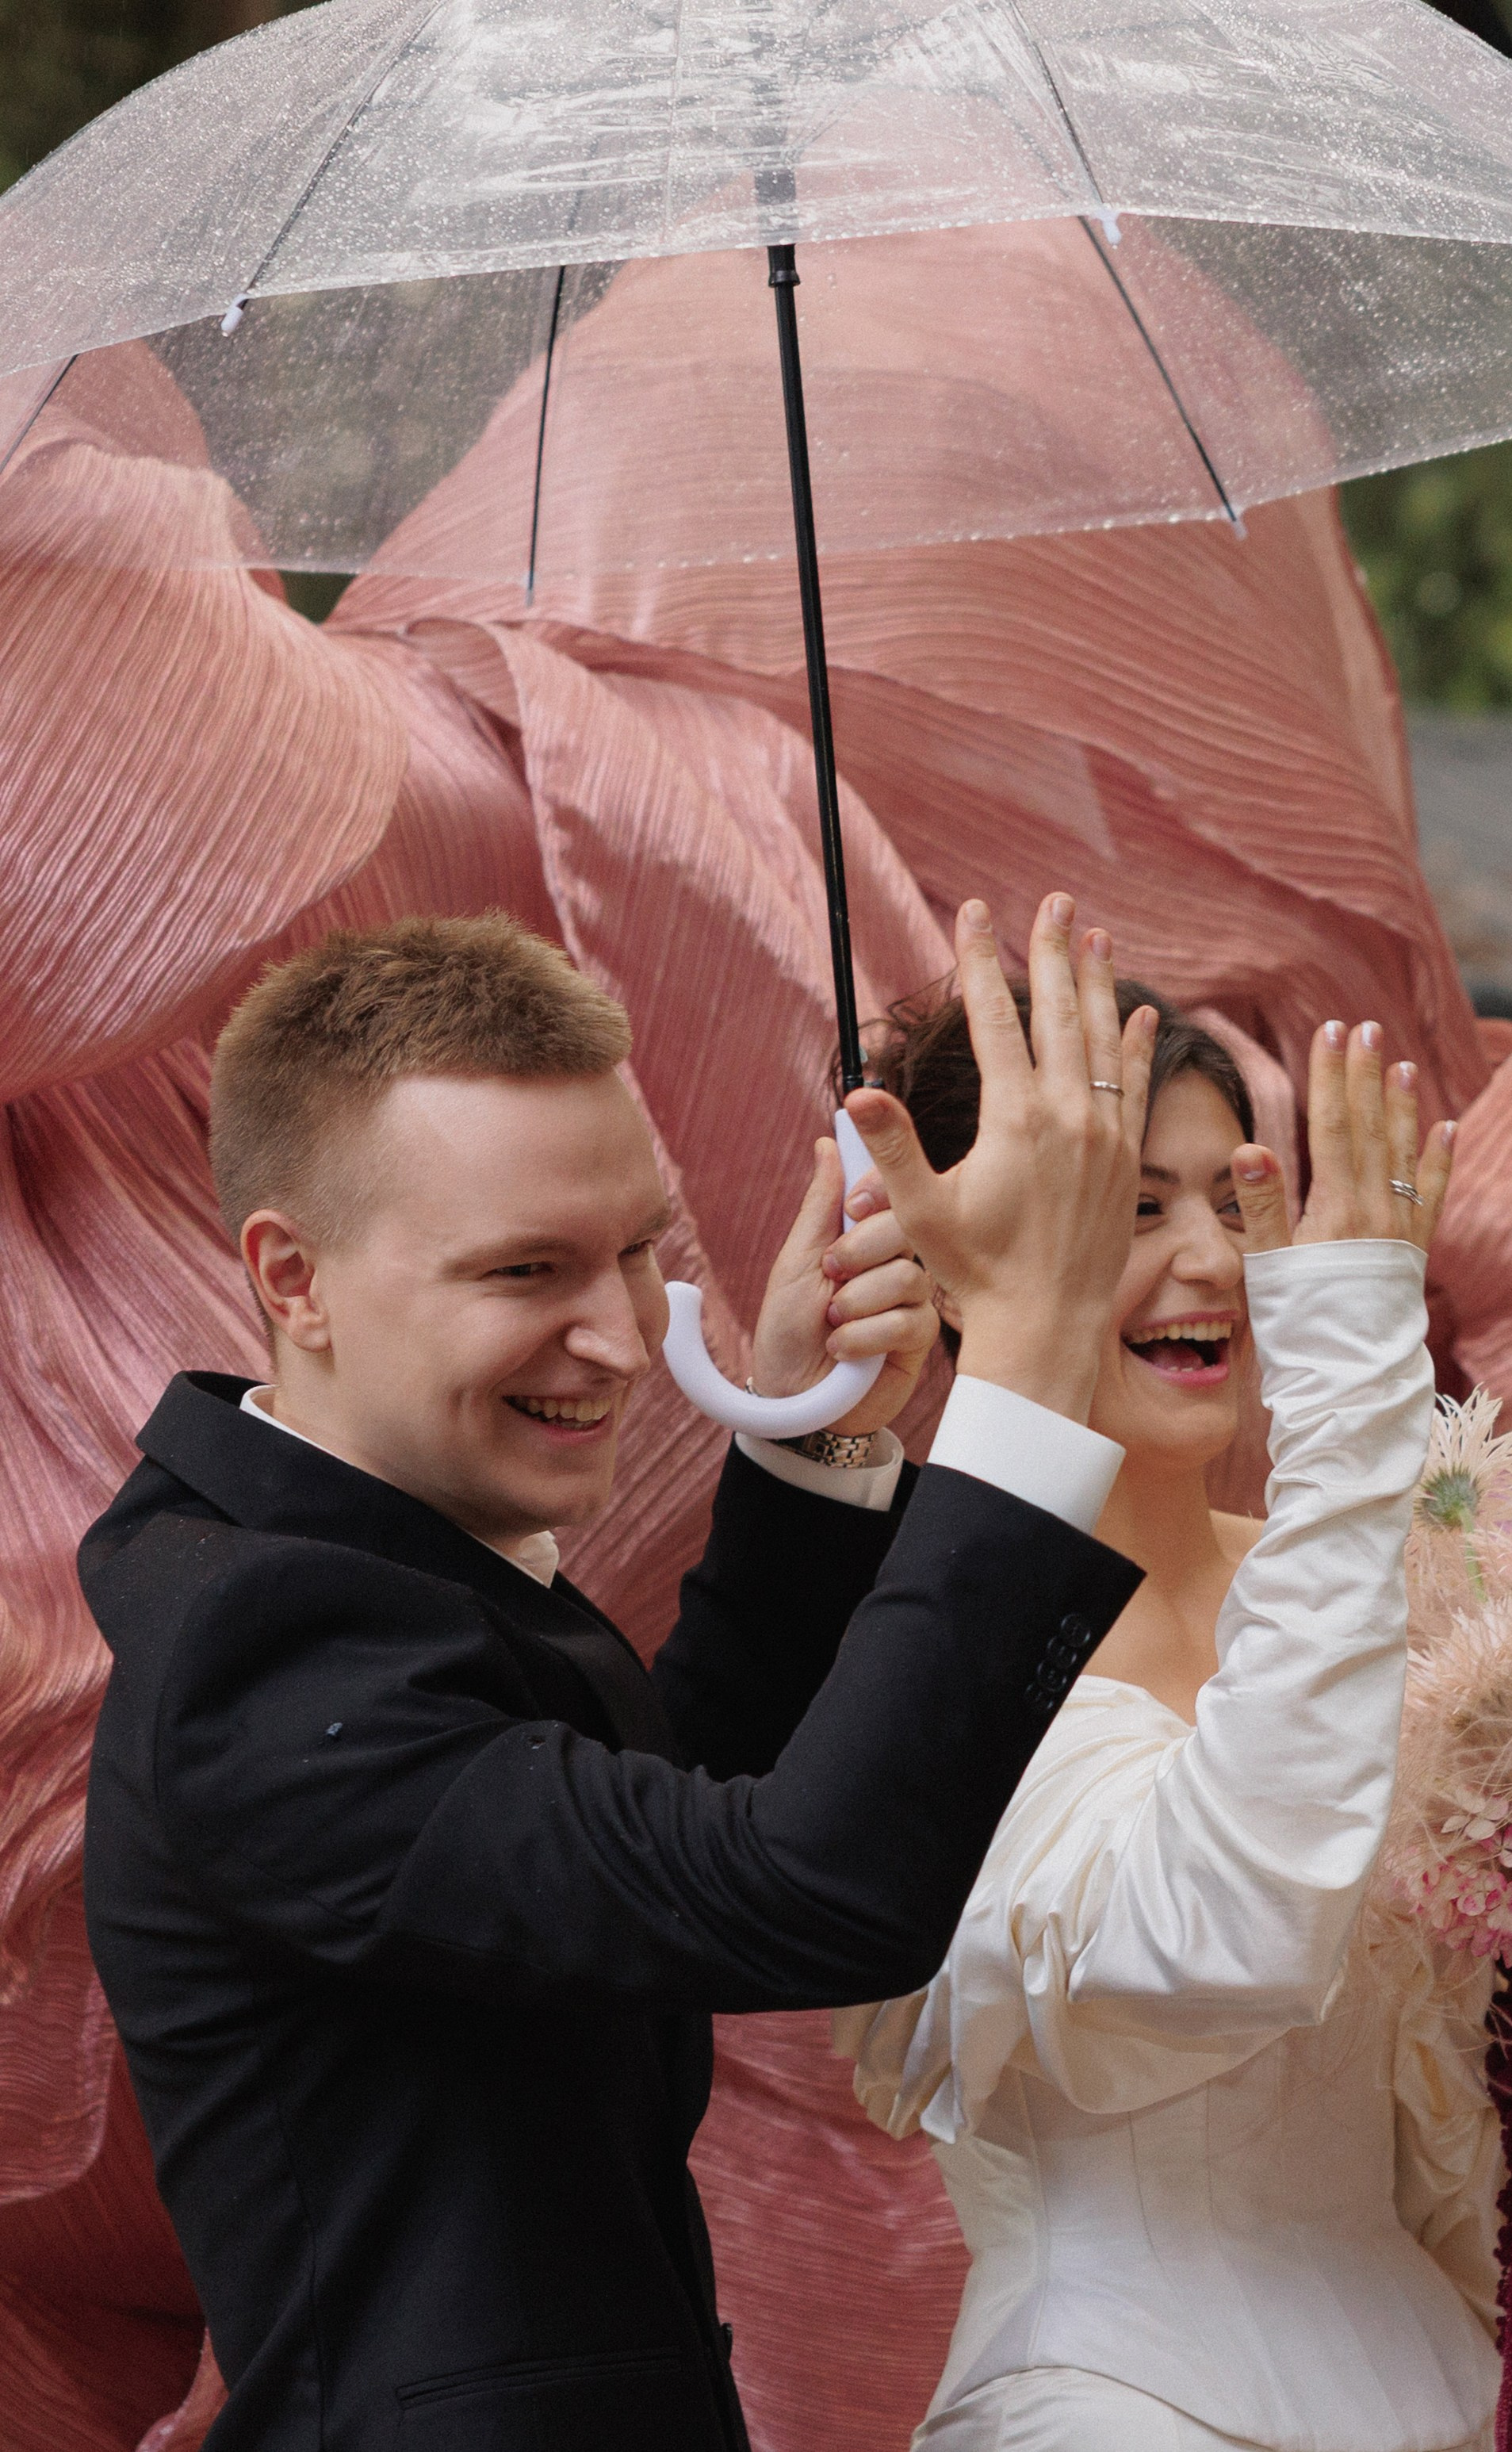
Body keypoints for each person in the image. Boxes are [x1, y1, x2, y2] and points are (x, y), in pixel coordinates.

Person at [79, 892, 1161, 2452]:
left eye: (636, 1249)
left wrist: (823, 1435)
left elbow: (663, 1823)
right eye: (526, 1271)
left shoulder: (372, 1566)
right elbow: (808, 1887)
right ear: (291, 1277)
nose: (615, 1334)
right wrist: (1038, 1369)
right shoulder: (264, 1652)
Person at [844, 984, 1512, 2452]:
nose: (1210, 1255)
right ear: (963, 1265)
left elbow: (1458, 2144)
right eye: (1135, 1206)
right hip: (1108, 2404)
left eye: (1230, 1196)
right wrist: (1352, 1393)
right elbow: (1222, 1939)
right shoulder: (913, 1653)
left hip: (1448, 2389)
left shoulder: (1394, 1592)